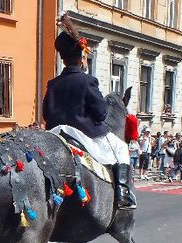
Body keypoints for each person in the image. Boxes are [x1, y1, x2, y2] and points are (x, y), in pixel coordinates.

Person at [42, 16, 136, 209]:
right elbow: (101, 114)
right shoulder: (88, 81)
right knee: (121, 148)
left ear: (64, 59)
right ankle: (123, 194)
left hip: (55, 134)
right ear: (81, 58)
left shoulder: (53, 84)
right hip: (83, 135)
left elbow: (46, 113)